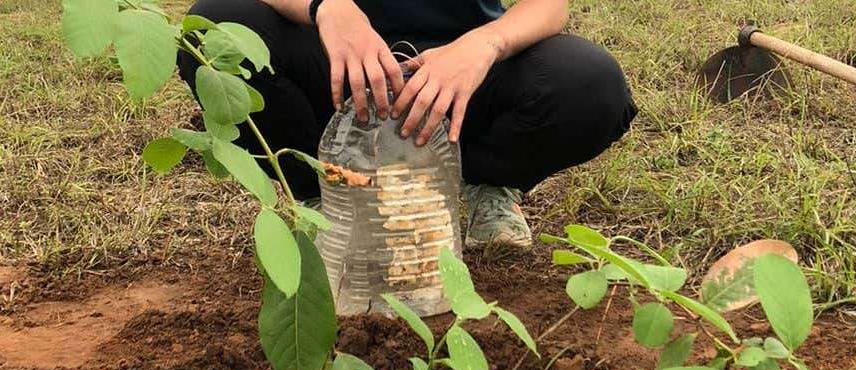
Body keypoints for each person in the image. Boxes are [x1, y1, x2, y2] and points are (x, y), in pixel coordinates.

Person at [178, 0, 637, 247]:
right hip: (342, 70)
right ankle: (323, 194)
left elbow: (550, 6)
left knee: (588, 84)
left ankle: (481, 186)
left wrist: (486, 43)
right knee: (213, 32)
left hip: (458, 72)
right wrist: (327, 8)